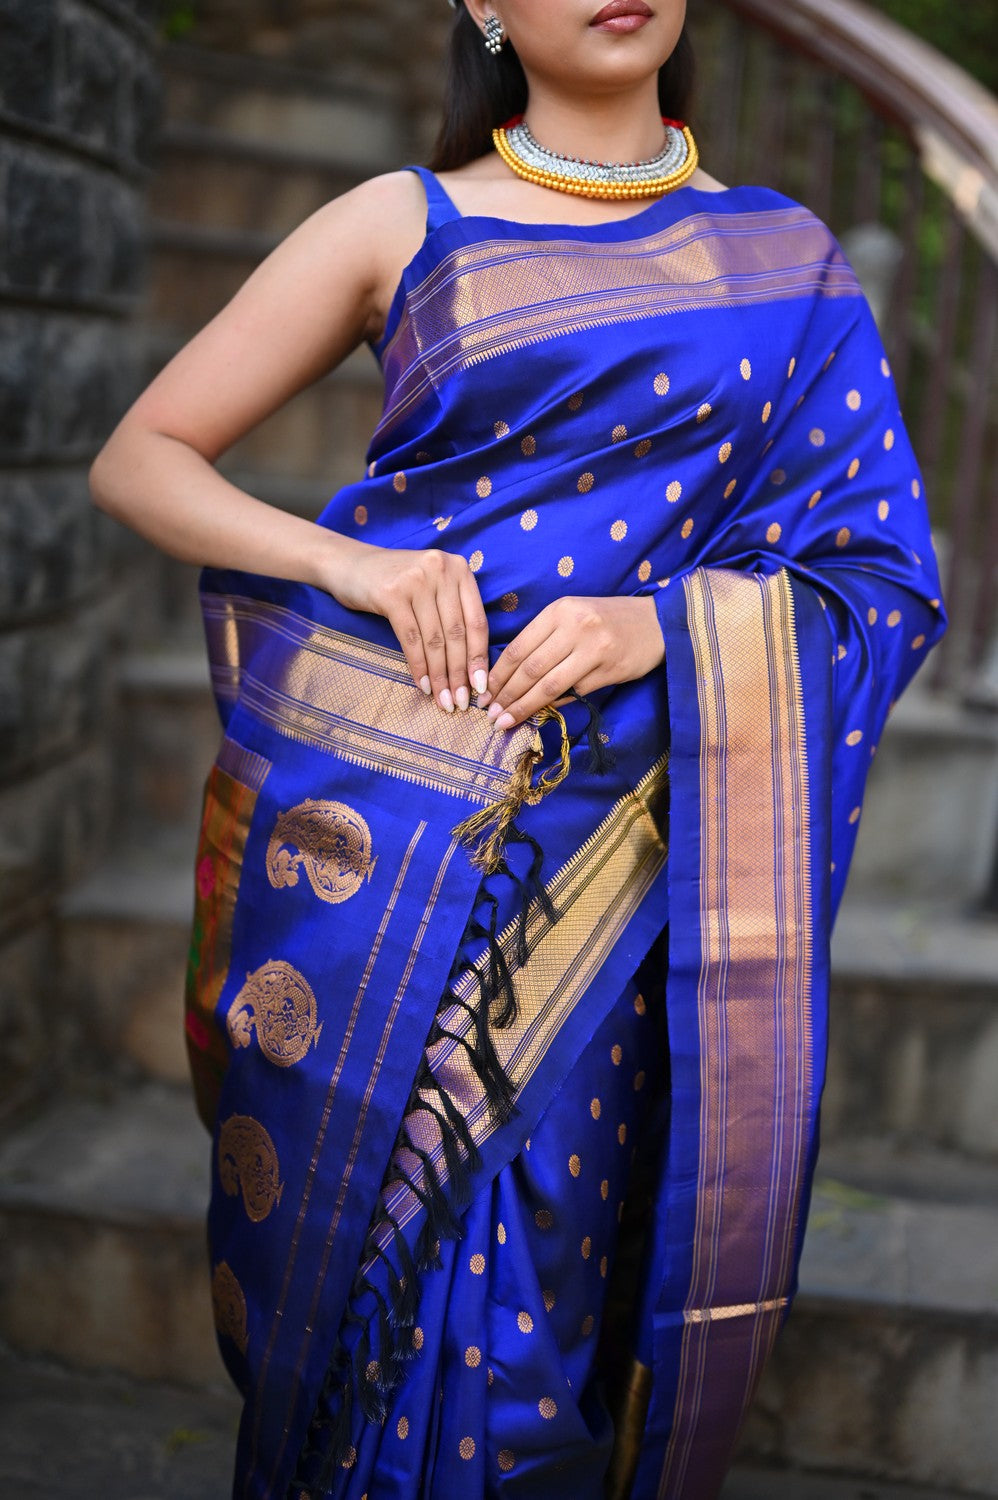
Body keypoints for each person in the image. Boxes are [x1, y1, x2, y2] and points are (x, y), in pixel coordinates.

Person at [89, 2, 946, 1496]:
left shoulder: (789, 262)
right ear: (481, 2)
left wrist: (664, 626)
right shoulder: (403, 223)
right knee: (366, 1308)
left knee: (542, 1311)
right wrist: (353, 566)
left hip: (639, 882)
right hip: (388, 857)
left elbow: (882, 581)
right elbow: (139, 456)